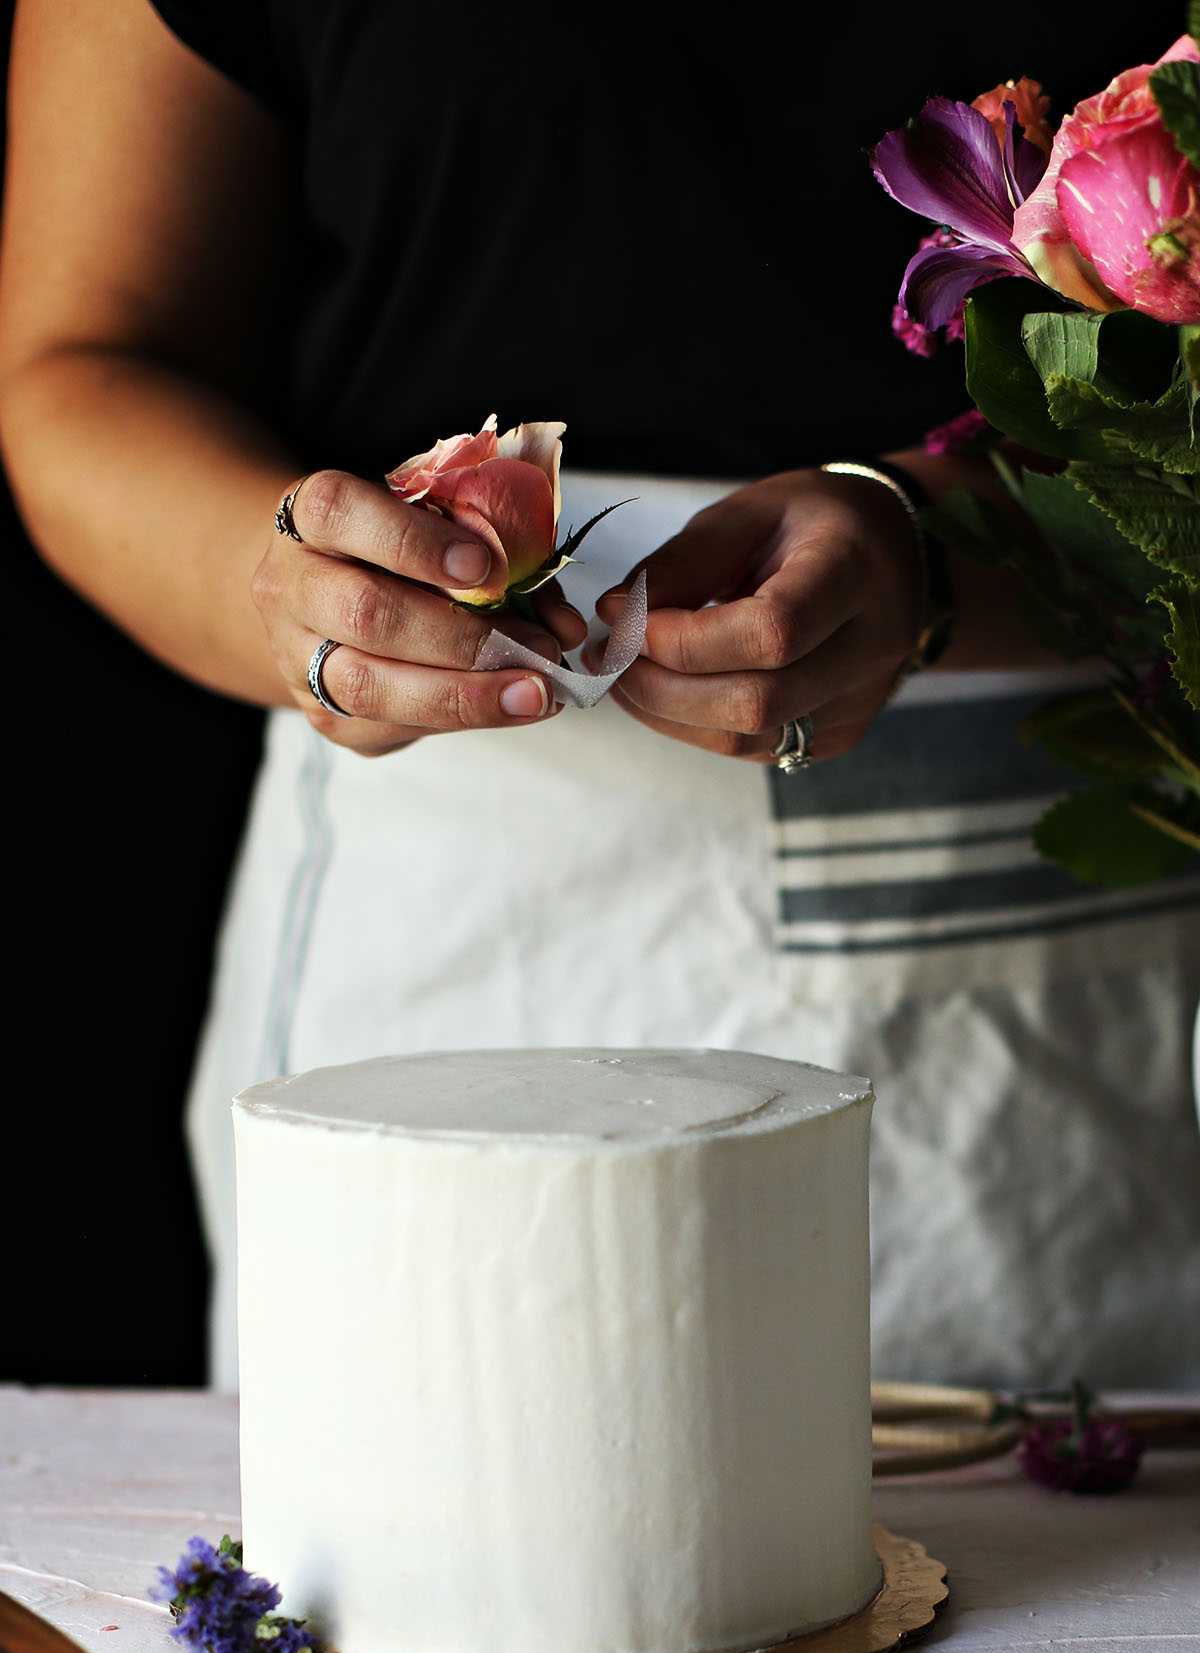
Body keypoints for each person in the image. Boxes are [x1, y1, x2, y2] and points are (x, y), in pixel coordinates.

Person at [1, 0, 1196, 1391]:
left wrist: (941, 556)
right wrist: (292, 596)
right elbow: (82, 361)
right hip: (448, 911)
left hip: (1081, 1009)